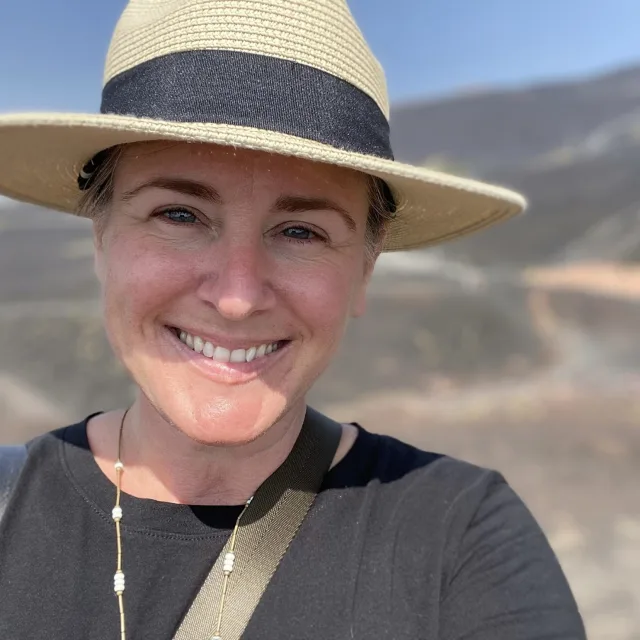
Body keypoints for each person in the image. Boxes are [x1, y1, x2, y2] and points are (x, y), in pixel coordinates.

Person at [0, 1, 586, 638]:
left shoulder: (462, 541)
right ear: (101, 239)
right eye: (179, 215)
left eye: (301, 231)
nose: (237, 297)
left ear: (365, 268)